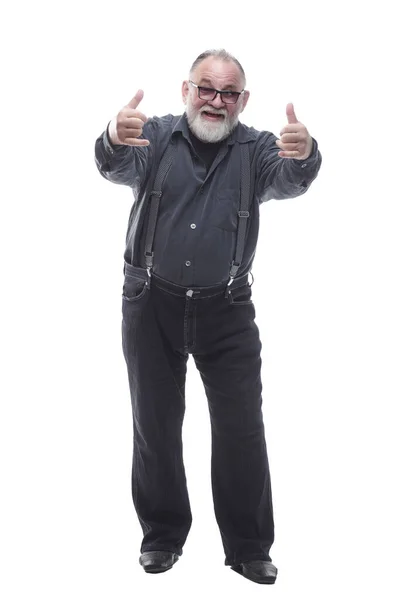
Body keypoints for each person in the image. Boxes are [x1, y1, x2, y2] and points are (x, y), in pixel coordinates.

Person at [94, 48, 322, 585]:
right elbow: (115, 162)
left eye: (227, 93)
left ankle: (248, 547)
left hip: (227, 309)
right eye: (206, 89)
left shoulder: (258, 149)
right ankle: (162, 536)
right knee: (155, 424)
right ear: (186, 90)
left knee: (242, 428)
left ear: (243, 100)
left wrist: (305, 154)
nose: (215, 101)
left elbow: (290, 177)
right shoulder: (154, 136)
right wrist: (110, 135)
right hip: (152, 303)